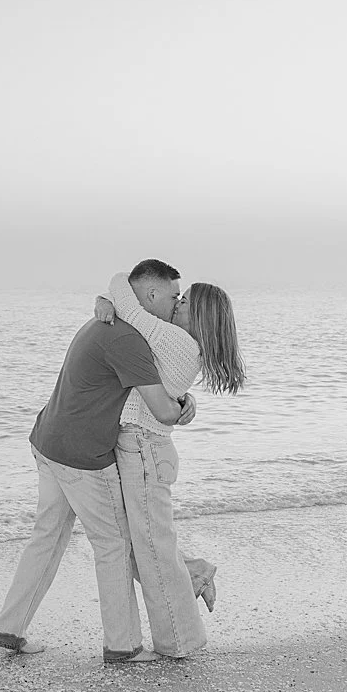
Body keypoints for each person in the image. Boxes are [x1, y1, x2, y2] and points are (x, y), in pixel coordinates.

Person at [0, 260, 194, 665]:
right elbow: (162, 411)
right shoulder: (129, 341)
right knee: (113, 544)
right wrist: (184, 404)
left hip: (47, 441)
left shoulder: (106, 323)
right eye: (173, 297)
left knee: (47, 536)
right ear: (150, 296)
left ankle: (8, 627)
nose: (176, 305)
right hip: (81, 456)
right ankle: (123, 645)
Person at [94, 267, 245, 660]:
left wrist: (114, 288)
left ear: (200, 318)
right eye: (178, 298)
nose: (177, 303)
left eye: (185, 301)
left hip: (144, 450)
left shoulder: (175, 340)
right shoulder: (182, 344)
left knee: (152, 547)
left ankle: (181, 640)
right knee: (143, 544)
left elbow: (126, 294)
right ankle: (194, 573)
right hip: (143, 448)